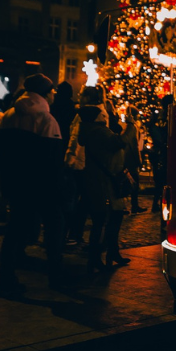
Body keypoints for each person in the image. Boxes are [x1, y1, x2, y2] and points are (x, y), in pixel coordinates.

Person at [0, 74, 65, 295]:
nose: (54, 94)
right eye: (52, 91)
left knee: (14, 229)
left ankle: (6, 278)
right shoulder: (46, 119)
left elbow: (3, 155)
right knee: (54, 229)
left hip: (17, 183)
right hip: (42, 186)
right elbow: (52, 160)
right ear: (44, 93)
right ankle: (55, 277)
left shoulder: (8, 115)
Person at [78, 105, 129, 271]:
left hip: (97, 180)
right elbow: (119, 142)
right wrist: (130, 127)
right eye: (102, 114)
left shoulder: (89, 130)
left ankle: (104, 254)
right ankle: (96, 257)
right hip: (104, 181)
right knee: (103, 219)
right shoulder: (99, 131)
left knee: (103, 219)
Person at [64, 86, 108, 245]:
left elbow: (75, 138)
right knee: (86, 200)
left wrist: (69, 159)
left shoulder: (84, 114)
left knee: (77, 200)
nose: (79, 96)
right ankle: (77, 234)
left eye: (82, 94)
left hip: (80, 161)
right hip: (94, 162)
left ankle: (72, 234)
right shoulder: (103, 113)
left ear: (88, 98)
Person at [121, 106, 146, 213]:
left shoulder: (125, 126)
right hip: (131, 159)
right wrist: (138, 160)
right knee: (133, 183)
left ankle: (129, 205)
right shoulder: (132, 127)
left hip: (126, 158)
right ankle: (133, 205)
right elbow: (134, 145)